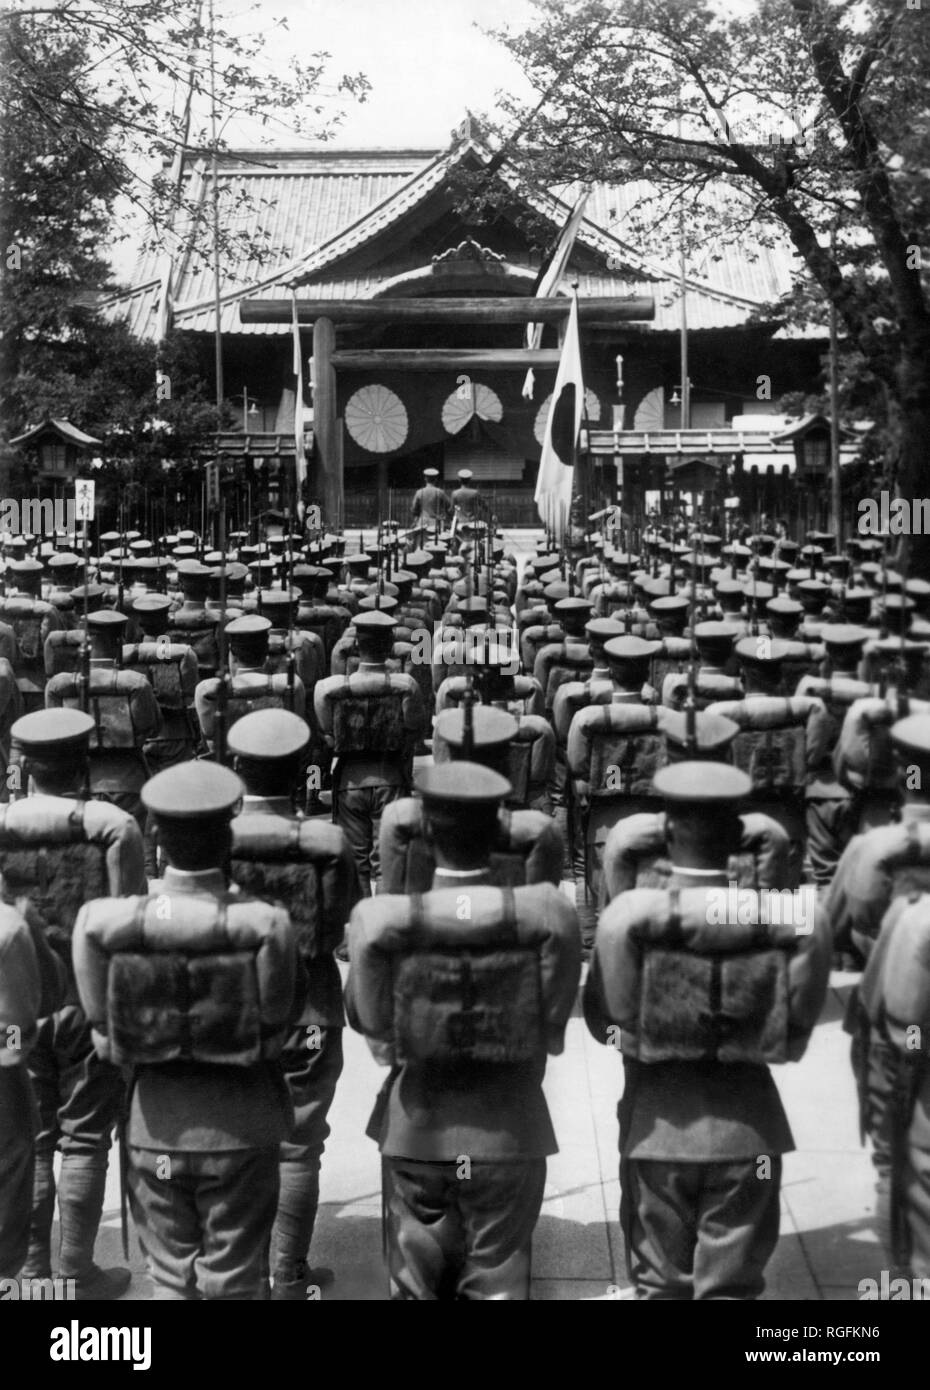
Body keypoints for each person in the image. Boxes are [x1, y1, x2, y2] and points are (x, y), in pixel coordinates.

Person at [585, 760, 831, 1299]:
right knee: (734, 1289)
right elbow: (799, 1020)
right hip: (754, 1134)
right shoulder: (792, 921)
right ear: (738, 835)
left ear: (667, 833)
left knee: (659, 1285)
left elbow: (603, 1020)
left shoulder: (628, 919)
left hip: (657, 1128)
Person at [346, 761, 581, 1299]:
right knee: (499, 1284)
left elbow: (366, 1019)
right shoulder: (546, 917)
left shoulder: (383, 921)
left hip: (416, 1130)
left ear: (427, 832)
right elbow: (552, 1024)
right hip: (510, 1130)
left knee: (414, 1287)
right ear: (499, 830)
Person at [73, 761, 299, 1300]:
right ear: (228, 839)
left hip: (154, 1130)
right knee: (239, 1279)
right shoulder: (266, 924)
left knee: (171, 1281)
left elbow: (105, 1036)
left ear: (155, 838)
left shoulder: (104, 924)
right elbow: (275, 1029)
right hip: (242, 1128)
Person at [6, 707, 145, 1299]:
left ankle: (33, 1270)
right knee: (86, 1136)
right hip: (92, 1001)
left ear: (24, 768)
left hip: (20, 1002)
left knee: (33, 1137)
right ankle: (76, 1271)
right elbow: (133, 925)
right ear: (83, 762)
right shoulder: (113, 826)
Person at [226, 709, 361, 1299]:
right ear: (302, 769)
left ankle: (239, 1270)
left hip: (233, 1008)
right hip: (308, 1007)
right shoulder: (327, 842)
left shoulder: (214, 837)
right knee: (300, 1142)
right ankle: (289, 1274)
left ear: (236, 767)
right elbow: (341, 930)